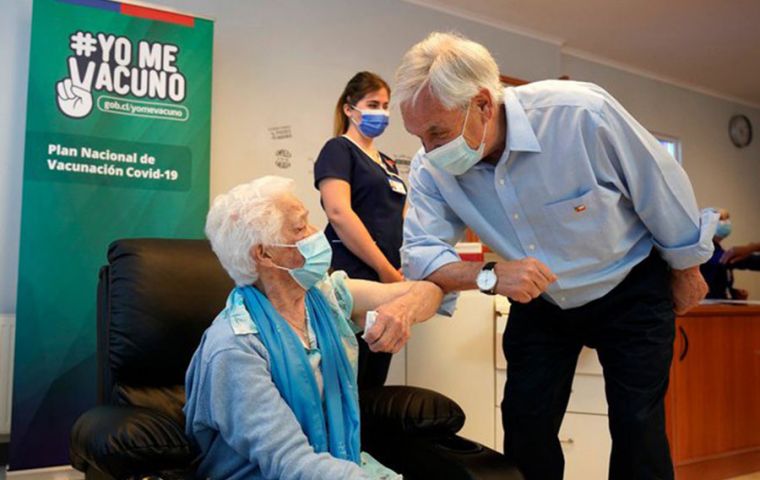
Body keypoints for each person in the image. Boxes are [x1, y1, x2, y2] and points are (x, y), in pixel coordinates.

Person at [395, 32, 717, 480]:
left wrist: (688, 267)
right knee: (525, 422)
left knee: (637, 423)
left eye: (437, 132)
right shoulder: (433, 168)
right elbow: (420, 254)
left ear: (483, 104)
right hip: (543, 301)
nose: (428, 151)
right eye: (418, 135)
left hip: (630, 287)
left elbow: (659, 188)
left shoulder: (580, 114)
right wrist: (489, 275)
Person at [184, 176, 442, 479]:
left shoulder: (325, 298)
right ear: (264, 254)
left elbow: (429, 292)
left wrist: (403, 310)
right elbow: (291, 463)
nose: (315, 234)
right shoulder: (234, 348)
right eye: (299, 228)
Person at [314, 72, 407, 388]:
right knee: (347, 380)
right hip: (352, 274)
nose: (381, 112)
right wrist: (384, 269)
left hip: (389, 278)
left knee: (374, 378)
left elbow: (401, 218)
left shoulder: (388, 163)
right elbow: (339, 213)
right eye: (372, 104)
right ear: (349, 109)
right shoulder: (339, 150)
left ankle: (367, 440)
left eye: (385, 105)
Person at [700, 209, 760, 299]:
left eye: (727, 219)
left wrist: (732, 292)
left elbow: (717, 282)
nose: (726, 223)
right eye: (720, 219)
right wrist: (751, 248)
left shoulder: (719, 251)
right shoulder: (706, 252)